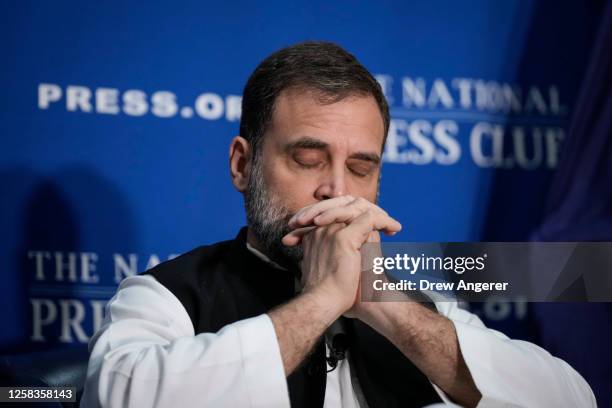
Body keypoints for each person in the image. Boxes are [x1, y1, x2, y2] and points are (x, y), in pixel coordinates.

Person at [81, 41, 596, 408]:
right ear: (242, 165)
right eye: (307, 159)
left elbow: (571, 399)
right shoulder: (167, 295)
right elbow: (117, 397)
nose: (336, 190)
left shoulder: (422, 307)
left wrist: (381, 305)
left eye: (360, 167)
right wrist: (321, 301)